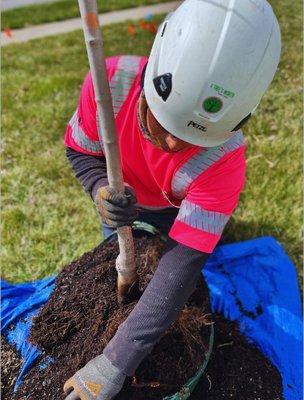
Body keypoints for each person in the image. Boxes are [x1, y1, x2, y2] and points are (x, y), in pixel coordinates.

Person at [63, 0, 281, 398]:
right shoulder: (109, 85)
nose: (171, 142)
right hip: (123, 201)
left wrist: (114, 363)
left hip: (176, 211)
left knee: (178, 273)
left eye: (193, 137)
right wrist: (100, 190)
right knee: (115, 247)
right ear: (150, 81)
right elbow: (81, 152)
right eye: (162, 121)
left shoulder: (224, 160)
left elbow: (182, 263)